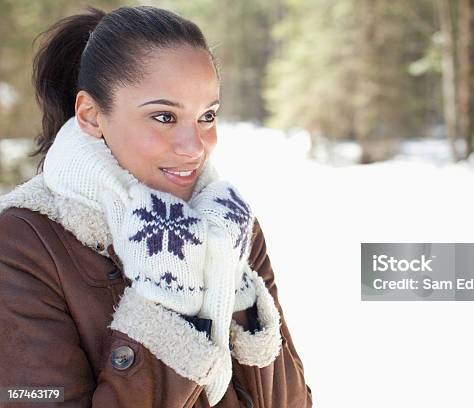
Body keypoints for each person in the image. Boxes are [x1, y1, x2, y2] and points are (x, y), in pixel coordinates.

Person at [0, 5, 312, 407]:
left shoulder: (228, 226)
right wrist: (169, 303)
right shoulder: (24, 244)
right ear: (92, 116)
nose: (194, 146)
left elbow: (293, 401)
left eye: (207, 116)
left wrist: (230, 283)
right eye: (164, 116)